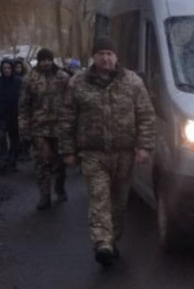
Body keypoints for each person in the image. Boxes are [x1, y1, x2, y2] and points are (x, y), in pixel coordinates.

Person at [58, 36, 155, 266]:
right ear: (94, 57)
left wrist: (144, 146)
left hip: (124, 152)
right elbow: (67, 117)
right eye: (101, 53)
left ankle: (113, 239)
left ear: (116, 57)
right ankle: (102, 243)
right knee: (99, 197)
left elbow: (146, 115)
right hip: (93, 154)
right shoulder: (78, 83)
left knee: (119, 202)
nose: (105, 58)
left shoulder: (132, 82)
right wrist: (67, 150)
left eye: (109, 54)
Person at [18, 47, 71, 210]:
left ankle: (59, 187)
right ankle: (44, 196)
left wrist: (70, 124)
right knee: (42, 163)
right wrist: (24, 128)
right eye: (43, 60)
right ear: (38, 61)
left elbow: (71, 102)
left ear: (52, 60)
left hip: (59, 127)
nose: (46, 63)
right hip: (39, 128)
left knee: (60, 162)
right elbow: (23, 106)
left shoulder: (63, 77)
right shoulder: (30, 79)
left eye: (48, 60)